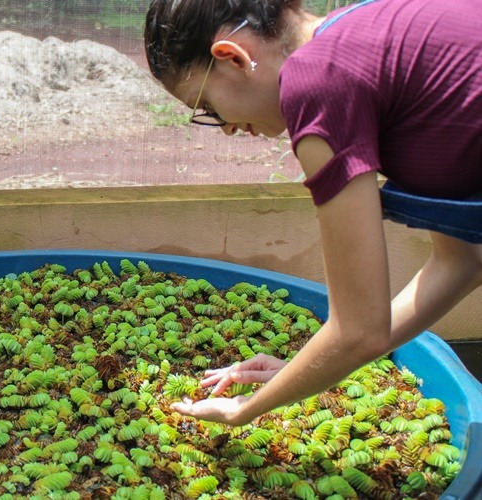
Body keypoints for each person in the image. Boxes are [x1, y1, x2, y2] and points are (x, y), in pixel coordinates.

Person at [143, 0, 482, 425]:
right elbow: (462, 263)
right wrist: (302, 369)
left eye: (206, 105)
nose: (226, 127)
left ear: (232, 57)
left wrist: (247, 408)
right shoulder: (358, 29)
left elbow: (359, 329)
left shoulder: (314, 81)